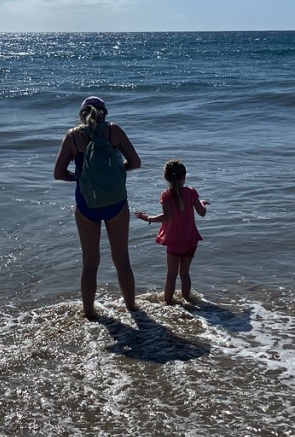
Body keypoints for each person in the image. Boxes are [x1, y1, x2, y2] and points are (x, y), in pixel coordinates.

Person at [54, 96, 141, 318]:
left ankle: (89, 314)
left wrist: (81, 178)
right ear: (105, 113)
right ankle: (132, 308)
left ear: (82, 114)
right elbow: (135, 162)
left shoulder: (73, 136)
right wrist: (115, 172)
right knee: (122, 260)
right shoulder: (114, 131)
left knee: (90, 263)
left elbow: (58, 174)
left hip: (87, 204)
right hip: (116, 203)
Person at [135, 159, 208, 305]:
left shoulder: (166, 195)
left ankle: (168, 304)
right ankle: (187, 302)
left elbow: (166, 216)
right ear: (184, 176)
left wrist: (147, 218)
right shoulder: (191, 192)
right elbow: (202, 213)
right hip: (190, 240)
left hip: (174, 242)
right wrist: (202, 203)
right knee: (185, 274)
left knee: (171, 275)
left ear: (166, 178)